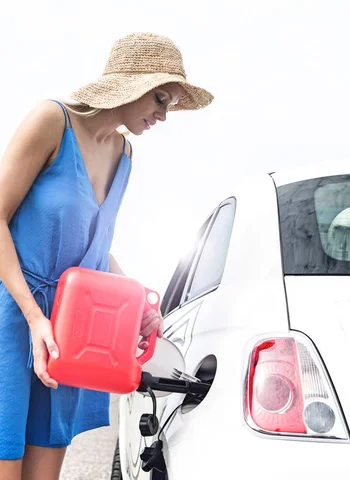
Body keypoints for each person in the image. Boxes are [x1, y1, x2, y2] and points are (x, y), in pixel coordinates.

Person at [0, 32, 213, 480]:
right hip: (13, 316)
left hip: (70, 329)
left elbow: (95, 247)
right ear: (130, 85)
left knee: (45, 472)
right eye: (160, 98)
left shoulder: (125, 154)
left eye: (170, 104)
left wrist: (135, 303)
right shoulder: (51, 120)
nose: (163, 114)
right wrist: (33, 318)